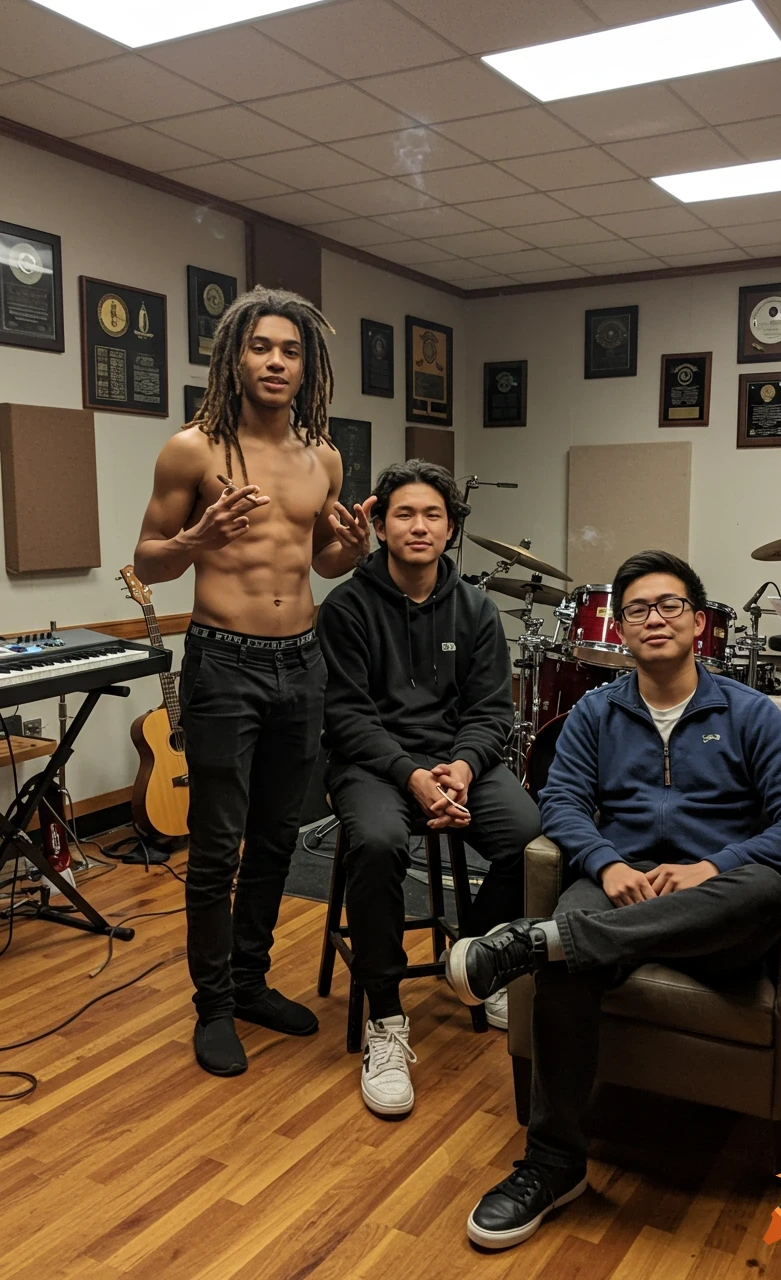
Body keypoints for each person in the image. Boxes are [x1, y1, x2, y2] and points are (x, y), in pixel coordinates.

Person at [448, 549, 781, 1250]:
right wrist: (606, 860)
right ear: (618, 628)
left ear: (698, 624)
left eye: (669, 606)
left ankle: (540, 941)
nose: (653, 619)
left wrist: (713, 865)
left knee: (762, 896)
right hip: (618, 881)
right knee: (572, 944)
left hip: (717, 909)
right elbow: (561, 803)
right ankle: (555, 1164)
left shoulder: (748, 713)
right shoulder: (595, 713)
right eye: (637, 609)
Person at [134, 286, 373, 1078]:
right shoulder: (193, 450)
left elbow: (323, 563)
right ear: (234, 356)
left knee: (276, 837)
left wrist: (357, 550)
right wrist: (197, 536)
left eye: (291, 350)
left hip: (301, 662)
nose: (276, 361)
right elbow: (147, 560)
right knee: (215, 847)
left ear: (308, 367)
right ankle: (212, 1007)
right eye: (262, 347)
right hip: (224, 660)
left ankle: (250, 981)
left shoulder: (323, 458)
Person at [316, 459, 541, 1118]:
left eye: (433, 515)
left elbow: (492, 710)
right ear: (380, 525)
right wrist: (411, 776)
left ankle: (477, 957)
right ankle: (386, 1019)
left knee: (532, 837)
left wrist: (464, 769)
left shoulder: (474, 608)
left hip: (458, 764)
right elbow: (347, 716)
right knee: (381, 842)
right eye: (404, 514)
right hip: (372, 768)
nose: (419, 526)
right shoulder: (346, 608)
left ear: (451, 529)